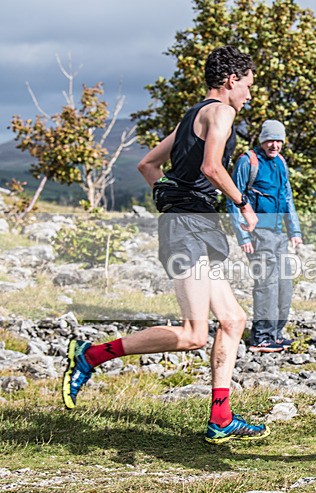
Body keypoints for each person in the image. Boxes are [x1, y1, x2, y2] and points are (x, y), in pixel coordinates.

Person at [61, 45, 269, 445]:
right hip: (188, 230)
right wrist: (242, 205)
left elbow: (148, 165)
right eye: (248, 85)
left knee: (233, 320)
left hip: (193, 226)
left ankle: (221, 418)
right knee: (193, 333)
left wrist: (175, 199)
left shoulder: (191, 116)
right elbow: (211, 167)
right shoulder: (222, 113)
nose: (249, 94)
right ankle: (90, 355)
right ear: (231, 80)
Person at [227, 119, 302, 353]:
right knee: (267, 284)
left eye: (279, 140)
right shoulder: (247, 161)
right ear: (262, 140)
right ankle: (260, 337)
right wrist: (243, 237)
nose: (275, 145)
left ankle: (276, 334)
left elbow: (287, 197)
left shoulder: (280, 162)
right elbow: (233, 199)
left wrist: (295, 231)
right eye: (271, 140)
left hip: (279, 234)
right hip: (257, 234)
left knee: (284, 284)